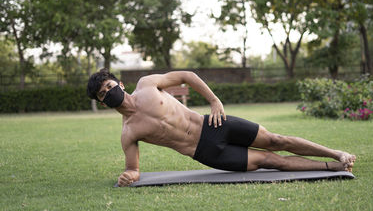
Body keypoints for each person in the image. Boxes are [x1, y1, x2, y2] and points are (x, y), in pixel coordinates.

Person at [87, 69, 356, 187]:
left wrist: (214, 101)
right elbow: (133, 169)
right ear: (101, 102)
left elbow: (187, 76)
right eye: (102, 94)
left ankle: (337, 154)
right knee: (270, 161)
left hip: (214, 124)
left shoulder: (147, 84)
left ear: (120, 84)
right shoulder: (129, 132)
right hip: (207, 151)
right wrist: (128, 177)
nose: (108, 93)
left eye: (109, 86)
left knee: (276, 140)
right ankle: (334, 168)